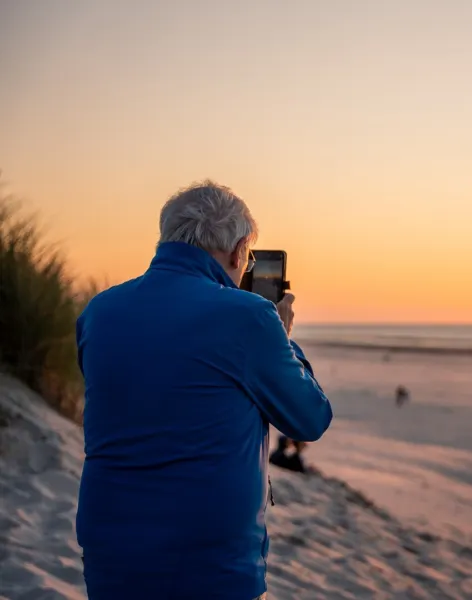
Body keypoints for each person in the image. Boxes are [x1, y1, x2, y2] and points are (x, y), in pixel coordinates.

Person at [76, 181, 333, 600]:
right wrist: (281, 337)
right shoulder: (249, 317)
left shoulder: (99, 311)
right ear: (237, 253)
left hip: (109, 551)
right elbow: (309, 418)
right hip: (207, 566)